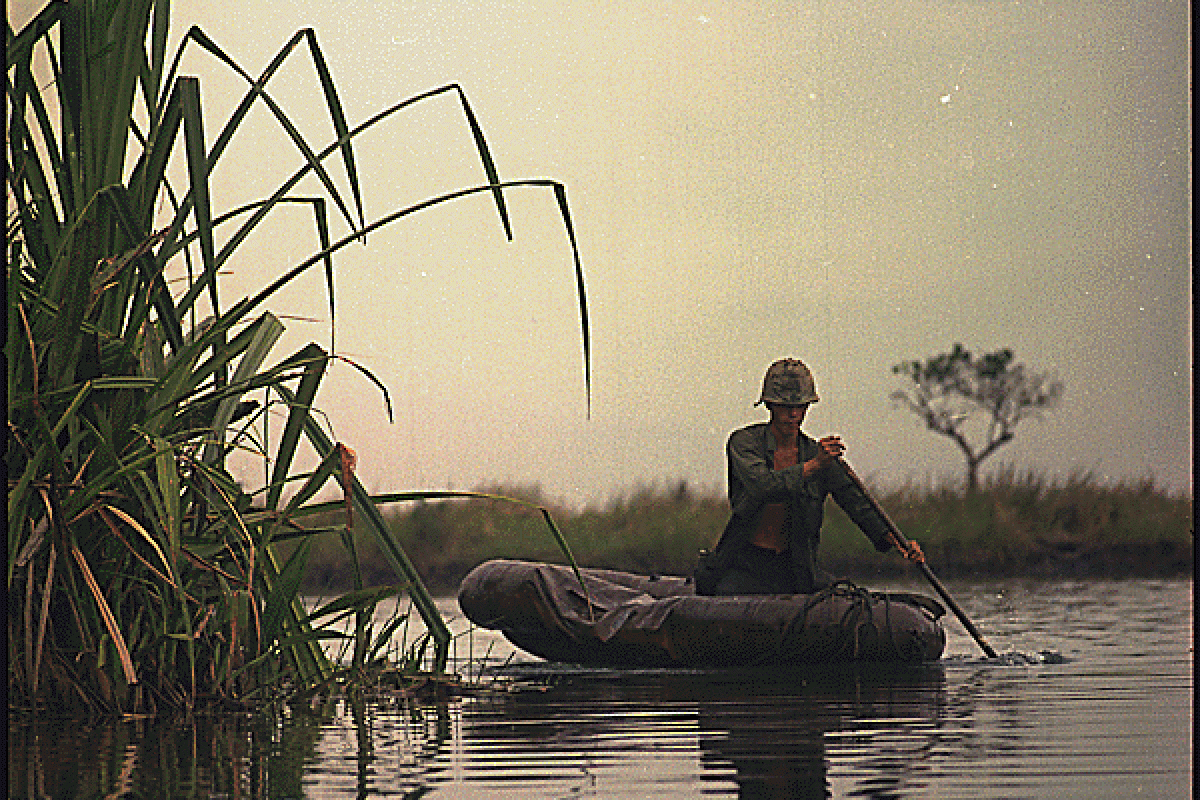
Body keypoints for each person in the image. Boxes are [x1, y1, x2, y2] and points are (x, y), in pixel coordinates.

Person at [695, 358, 923, 596]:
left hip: (796, 569)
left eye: (801, 406)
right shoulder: (744, 443)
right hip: (745, 566)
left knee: (847, 600)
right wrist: (814, 465)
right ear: (770, 405)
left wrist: (899, 542)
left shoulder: (818, 455)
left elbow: (858, 505)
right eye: (785, 406)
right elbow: (764, 486)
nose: (794, 414)